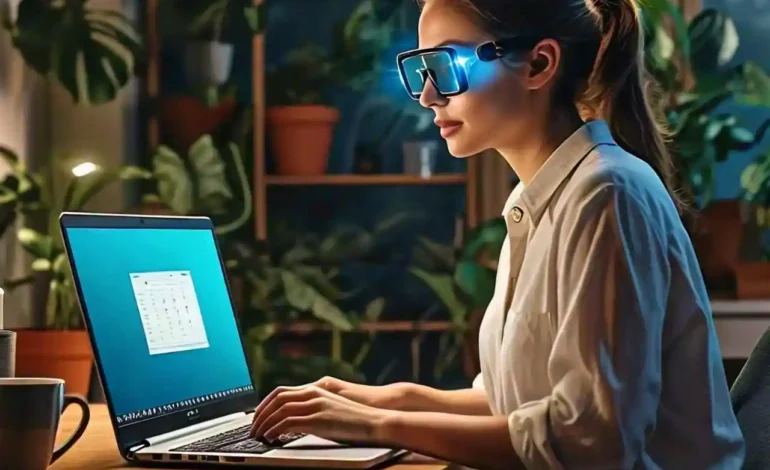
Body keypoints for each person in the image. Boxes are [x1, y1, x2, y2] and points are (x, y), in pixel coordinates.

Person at [250, 0, 746, 468]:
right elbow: (515, 401)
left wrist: (382, 424)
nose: (427, 96)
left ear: (537, 65)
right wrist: (376, 399)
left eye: (446, 66)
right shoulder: (537, 202)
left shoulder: (607, 194)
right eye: (421, 71)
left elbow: (593, 439)